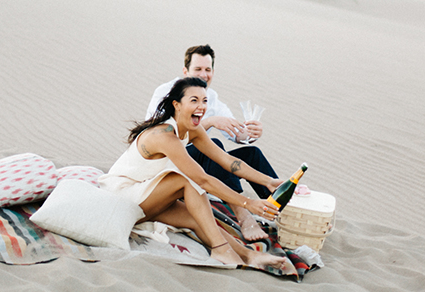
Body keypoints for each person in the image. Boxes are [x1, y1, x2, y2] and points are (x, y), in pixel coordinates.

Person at [99, 77, 286, 267]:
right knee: (186, 181)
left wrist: (268, 181)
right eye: (194, 100)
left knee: (198, 217)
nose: (201, 106)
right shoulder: (163, 136)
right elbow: (202, 180)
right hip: (122, 198)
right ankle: (221, 250)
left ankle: (248, 255)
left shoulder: (192, 129)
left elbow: (227, 161)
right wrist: (249, 203)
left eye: (205, 101)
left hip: (147, 193)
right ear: (177, 105)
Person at [145, 44, 278, 241]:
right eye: (197, 69)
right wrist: (209, 123)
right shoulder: (166, 92)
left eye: (207, 70)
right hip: (169, 163)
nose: (203, 74)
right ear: (185, 71)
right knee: (214, 144)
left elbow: (235, 132)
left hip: (202, 160)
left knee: (253, 153)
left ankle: (281, 209)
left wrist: (250, 133)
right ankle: (242, 213)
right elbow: (157, 135)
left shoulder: (210, 97)